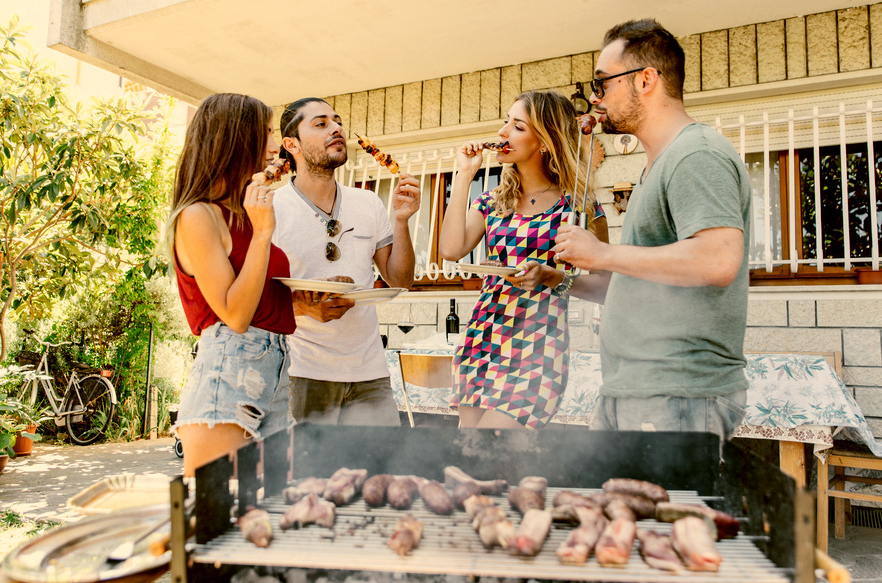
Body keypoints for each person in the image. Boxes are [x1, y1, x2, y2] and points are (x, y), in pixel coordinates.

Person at [553, 19, 752, 439]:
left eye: (603, 82)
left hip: (677, 395)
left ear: (646, 80)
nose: (594, 97)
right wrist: (559, 282)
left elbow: (718, 260)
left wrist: (602, 254)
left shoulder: (694, 154)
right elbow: (633, 285)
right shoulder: (657, 165)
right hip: (638, 392)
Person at [439, 90, 609, 430]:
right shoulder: (492, 201)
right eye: (506, 122)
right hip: (483, 338)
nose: (502, 133)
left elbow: (607, 288)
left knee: (492, 443)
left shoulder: (578, 208)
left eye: (517, 126)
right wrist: (463, 175)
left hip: (537, 346)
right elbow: (450, 250)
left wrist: (552, 277)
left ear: (544, 140)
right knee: (470, 457)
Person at [164, 93, 295, 477]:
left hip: (277, 364)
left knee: (268, 512)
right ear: (235, 140)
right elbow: (235, 315)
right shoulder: (197, 215)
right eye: (266, 133)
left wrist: (308, 305)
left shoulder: (244, 212)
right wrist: (263, 232)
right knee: (214, 514)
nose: (275, 146)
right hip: (231, 362)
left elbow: (258, 300)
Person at [272, 97, 420, 426]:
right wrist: (305, 307)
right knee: (313, 477)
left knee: (382, 475)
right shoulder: (270, 209)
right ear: (291, 144)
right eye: (321, 124)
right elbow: (254, 295)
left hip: (370, 374)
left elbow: (400, 281)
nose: (336, 128)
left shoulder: (367, 203)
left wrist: (401, 220)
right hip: (302, 374)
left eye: (337, 122)